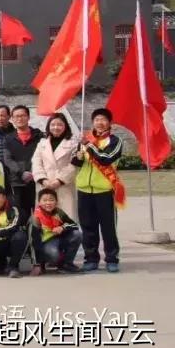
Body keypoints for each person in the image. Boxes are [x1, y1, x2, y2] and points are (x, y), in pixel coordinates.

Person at [72, 107, 123, 273]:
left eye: (103, 120)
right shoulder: (85, 139)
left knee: (108, 227)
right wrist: (78, 156)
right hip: (84, 189)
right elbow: (76, 163)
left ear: (109, 123)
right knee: (88, 227)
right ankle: (91, 258)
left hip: (104, 190)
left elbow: (106, 159)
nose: (99, 123)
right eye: (96, 120)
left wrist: (89, 145)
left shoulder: (115, 141)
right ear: (92, 122)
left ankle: (111, 259)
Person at [31, 113, 79, 221]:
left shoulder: (73, 143)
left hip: (63, 186)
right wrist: (43, 180)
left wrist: (59, 181)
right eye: (53, 125)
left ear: (65, 126)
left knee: (66, 218)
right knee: (45, 219)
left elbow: (74, 165)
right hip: (45, 186)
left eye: (59, 125)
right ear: (48, 126)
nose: (56, 127)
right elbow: (36, 162)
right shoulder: (42, 143)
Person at [29, 188, 82, 275]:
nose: (48, 203)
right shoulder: (35, 217)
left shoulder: (59, 212)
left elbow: (74, 225)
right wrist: (37, 264)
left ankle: (67, 264)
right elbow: (33, 241)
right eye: (45, 200)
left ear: (56, 202)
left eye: (51, 200)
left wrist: (62, 227)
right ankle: (44, 263)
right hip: (44, 243)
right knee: (53, 254)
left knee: (77, 235)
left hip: (58, 239)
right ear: (39, 202)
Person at [3, 105, 42, 221]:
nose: (19, 119)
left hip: (37, 180)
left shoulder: (39, 136)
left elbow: (43, 157)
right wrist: (21, 173)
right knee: (21, 214)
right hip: (17, 182)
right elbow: (8, 160)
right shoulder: (8, 138)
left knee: (39, 213)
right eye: (16, 116)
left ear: (28, 117)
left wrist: (33, 172)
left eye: (23, 115)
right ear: (12, 119)